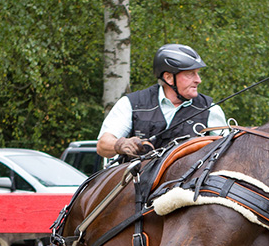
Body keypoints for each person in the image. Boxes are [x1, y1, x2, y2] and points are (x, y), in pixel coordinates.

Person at [97, 43, 226, 159]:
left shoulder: (210, 109)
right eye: (190, 74)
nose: (198, 80)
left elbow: (229, 151)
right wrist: (120, 144)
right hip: (137, 182)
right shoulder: (132, 104)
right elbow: (102, 145)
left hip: (190, 184)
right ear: (169, 78)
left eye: (197, 73)